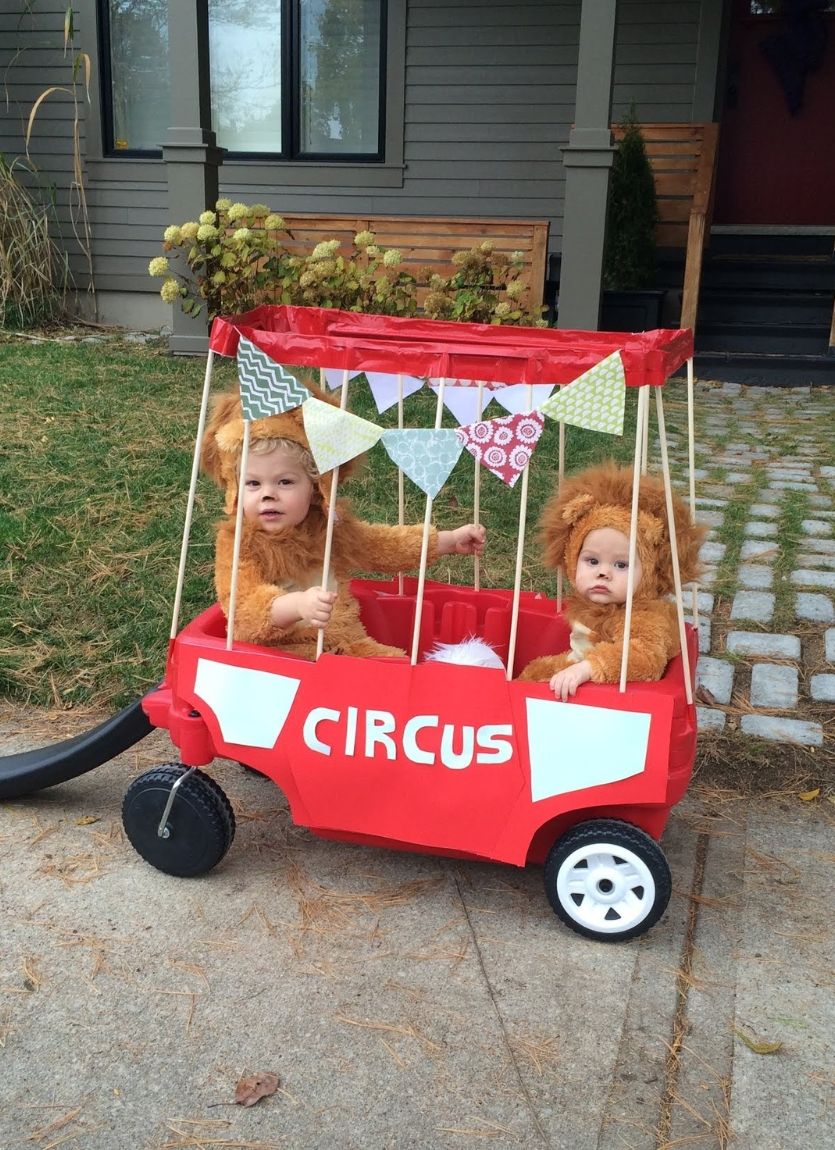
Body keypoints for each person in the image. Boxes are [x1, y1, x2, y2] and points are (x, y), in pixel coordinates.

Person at [200, 387, 485, 659]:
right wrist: (296, 605)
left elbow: (380, 545)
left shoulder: (328, 528)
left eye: (285, 482)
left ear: (315, 488)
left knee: (398, 675)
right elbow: (244, 612)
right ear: (235, 489)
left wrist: (447, 541)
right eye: (253, 483)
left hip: (347, 646)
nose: (268, 494)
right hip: (285, 657)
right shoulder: (240, 543)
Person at [518, 462, 704, 700]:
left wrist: (588, 668)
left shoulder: (642, 616)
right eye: (592, 561)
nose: (603, 573)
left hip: (615, 691)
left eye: (621, 565)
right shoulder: (595, 607)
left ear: (650, 571)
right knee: (534, 674)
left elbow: (646, 658)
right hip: (582, 667)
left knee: (546, 685)